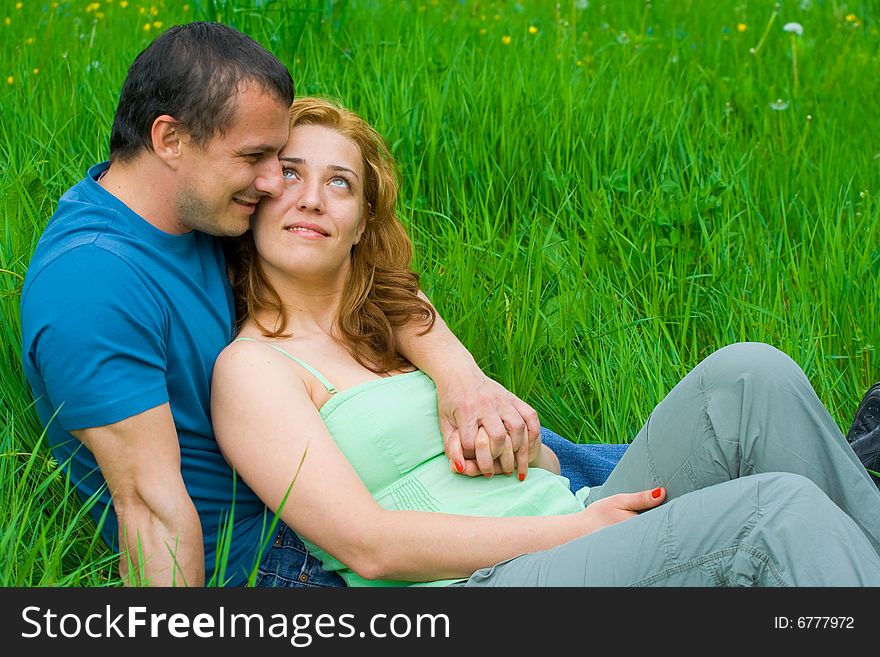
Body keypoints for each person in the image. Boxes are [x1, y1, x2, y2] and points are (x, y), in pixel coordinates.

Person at [19, 21, 621, 589]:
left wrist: (462, 377)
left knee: (700, 442)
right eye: (259, 160)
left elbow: (361, 276)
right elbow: (151, 511)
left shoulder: (194, 202)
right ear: (169, 138)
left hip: (364, 465)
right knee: (679, 532)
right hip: (281, 558)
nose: (272, 185)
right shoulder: (91, 290)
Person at [211, 96, 880, 587]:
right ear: (254, 200)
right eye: (291, 174)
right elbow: (369, 546)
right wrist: (576, 528)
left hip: (569, 520)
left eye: (340, 183)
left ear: (361, 224)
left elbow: (537, 472)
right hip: (482, 584)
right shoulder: (254, 367)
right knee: (774, 513)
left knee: (748, 375)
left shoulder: (390, 327)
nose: (312, 199)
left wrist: (523, 449)